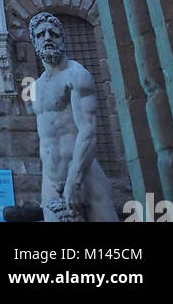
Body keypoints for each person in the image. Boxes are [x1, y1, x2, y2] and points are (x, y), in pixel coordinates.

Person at [30, 11, 117, 221]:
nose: (47, 38)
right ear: (34, 42)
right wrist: (48, 183)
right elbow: (46, 140)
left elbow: (88, 131)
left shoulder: (76, 75)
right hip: (50, 179)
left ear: (62, 39)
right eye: (41, 35)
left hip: (82, 174)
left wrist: (74, 181)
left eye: (53, 33)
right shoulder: (36, 86)